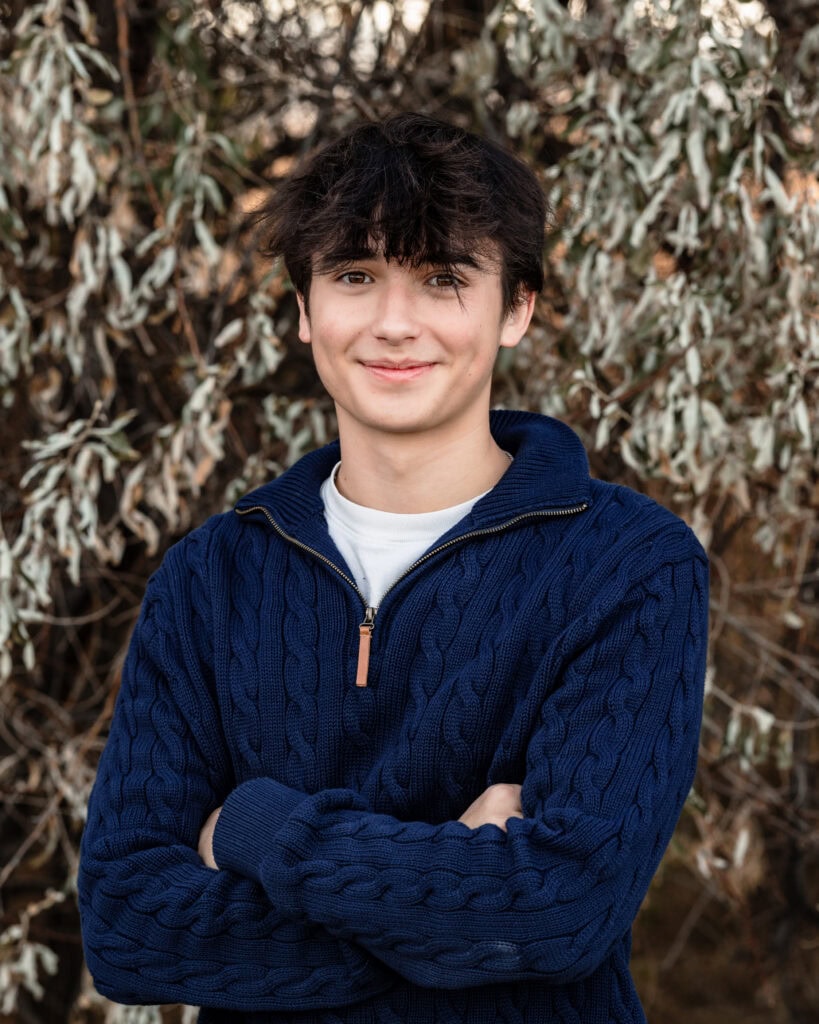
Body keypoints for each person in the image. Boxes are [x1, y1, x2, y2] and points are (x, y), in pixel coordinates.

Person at [78, 113, 709, 1023]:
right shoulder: (211, 577)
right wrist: (454, 886)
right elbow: (128, 927)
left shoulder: (628, 564)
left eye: (442, 279)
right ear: (303, 310)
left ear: (517, 309)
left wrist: (256, 827)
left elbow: (563, 911)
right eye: (354, 276)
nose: (393, 323)